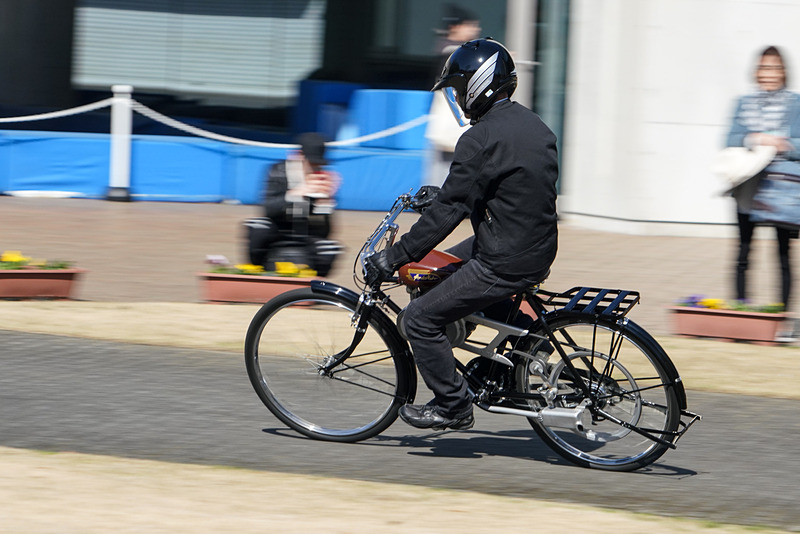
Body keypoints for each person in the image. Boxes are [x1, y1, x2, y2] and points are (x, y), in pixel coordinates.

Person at [365, 38, 559, 431]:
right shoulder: (533, 124)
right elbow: (508, 188)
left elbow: (448, 215)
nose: (456, 96)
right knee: (442, 272)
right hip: (533, 242)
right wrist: (447, 196)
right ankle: (518, 344)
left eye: (457, 88)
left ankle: (453, 405)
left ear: (478, 85)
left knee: (419, 318)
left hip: (505, 256)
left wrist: (396, 256)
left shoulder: (479, 138)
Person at [727, 46, 800, 319]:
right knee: (744, 253)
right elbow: (730, 139)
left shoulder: (796, 104)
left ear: (784, 72)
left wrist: (784, 144)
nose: (770, 73)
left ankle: (780, 319)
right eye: (765, 67)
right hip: (748, 187)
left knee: (783, 256)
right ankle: (740, 314)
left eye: (775, 67)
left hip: (782, 191)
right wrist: (758, 138)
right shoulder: (743, 104)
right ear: (757, 72)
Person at [244, 132, 342, 276]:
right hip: (277, 231)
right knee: (258, 226)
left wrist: (325, 203)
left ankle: (314, 288)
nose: (315, 168)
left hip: (306, 236)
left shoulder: (323, 180)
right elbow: (268, 210)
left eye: (318, 164)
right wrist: (296, 193)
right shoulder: (277, 171)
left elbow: (324, 233)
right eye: (311, 163)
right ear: (298, 155)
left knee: (330, 248)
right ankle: (255, 272)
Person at [424, 4, 482, 187]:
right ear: (455, 27)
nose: (476, 30)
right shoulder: (452, 53)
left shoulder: (453, 50)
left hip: (452, 126)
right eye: (470, 25)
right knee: (443, 174)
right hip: (451, 124)